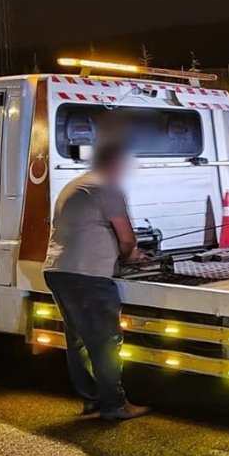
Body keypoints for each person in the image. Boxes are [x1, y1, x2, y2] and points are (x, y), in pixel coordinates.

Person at [43, 140, 151, 421]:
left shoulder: (75, 185)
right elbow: (126, 238)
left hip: (59, 270)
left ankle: (91, 399)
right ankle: (115, 405)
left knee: (79, 339)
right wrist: (132, 255)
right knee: (105, 340)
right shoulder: (108, 188)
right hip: (87, 275)